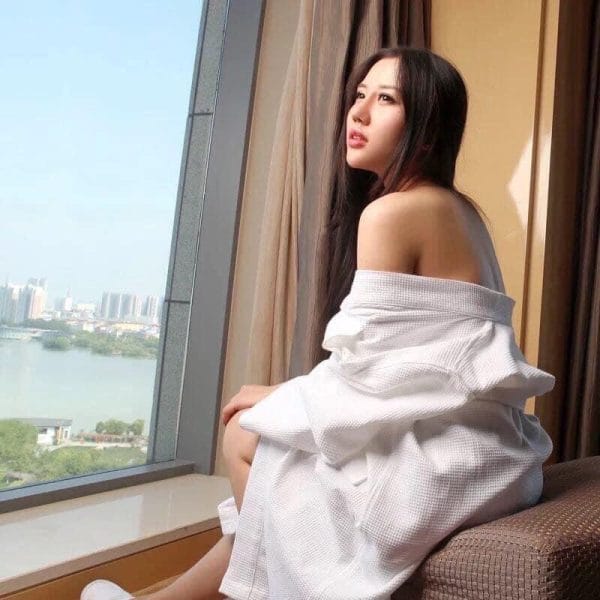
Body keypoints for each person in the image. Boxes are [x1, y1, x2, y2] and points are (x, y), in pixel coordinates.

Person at [81, 45, 545, 600]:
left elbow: (367, 374)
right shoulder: (461, 211)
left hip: (447, 459)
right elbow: (408, 366)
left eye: (387, 99)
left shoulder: (391, 213)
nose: (359, 113)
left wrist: (282, 395)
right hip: (492, 451)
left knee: (244, 432)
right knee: (270, 484)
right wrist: (290, 394)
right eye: (359, 95)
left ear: (426, 129)